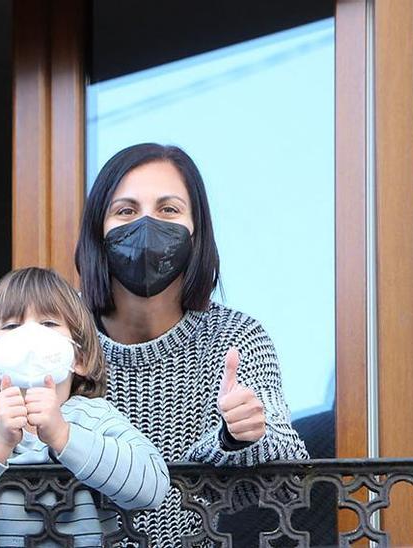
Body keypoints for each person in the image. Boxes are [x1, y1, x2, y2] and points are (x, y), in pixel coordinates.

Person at [74, 143, 309, 540]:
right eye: (126, 211)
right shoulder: (58, 334)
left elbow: (288, 468)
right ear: (98, 231)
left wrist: (240, 436)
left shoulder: (235, 337)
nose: (146, 226)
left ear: (197, 230)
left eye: (168, 210)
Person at [0, 267, 168, 546]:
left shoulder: (95, 416)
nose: (30, 335)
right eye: (11, 326)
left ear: (79, 357)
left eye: (48, 324)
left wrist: (63, 435)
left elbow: (152, 488)